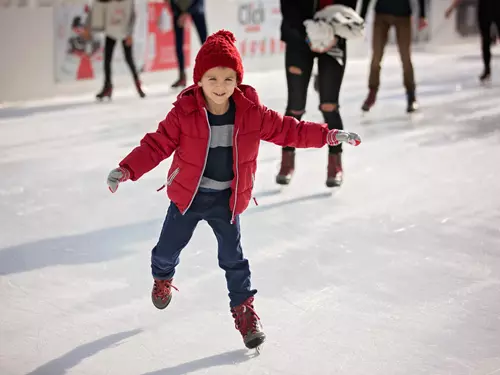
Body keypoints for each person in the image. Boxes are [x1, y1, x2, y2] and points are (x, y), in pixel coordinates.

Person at [106, 30, 361, 349]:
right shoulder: (184, 113)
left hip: (227, 201)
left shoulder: (251, 112)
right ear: (199, 79)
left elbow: (289, 130)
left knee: (234, 259)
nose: (220, 86)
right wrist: (127, 168)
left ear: (237, 80)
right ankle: (162, 279)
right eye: (212, 78)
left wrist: (328, 135)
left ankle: (245, 311)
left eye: (229, 78)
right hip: (188, 198)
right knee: (165, 252)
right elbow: (156, 145)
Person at [277, 0, 360, 188]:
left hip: (334, 38)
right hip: (298, 38)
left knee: (329, 105)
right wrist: (306, 31)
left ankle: (335, 164)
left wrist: (336, 27)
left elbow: (349, 6)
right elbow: (288, 6)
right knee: (295, 106)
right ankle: (287, 161)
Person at [359, 0, 427, 113]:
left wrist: (422, 15)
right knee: (376, 56)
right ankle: (372, 93)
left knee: (406, 57)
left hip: (403, 14)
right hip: (382, 13)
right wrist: (361, 17)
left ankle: (411, 96)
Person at [85, 0, 145, 100]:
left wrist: (130, 33)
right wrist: (89, 26)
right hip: (111, 31)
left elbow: (132, 16)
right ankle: (107, 86)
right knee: (107, 60)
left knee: (129, 59)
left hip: (125, 32)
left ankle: (138, 84)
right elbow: (95, 7)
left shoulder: (128, 2)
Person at [445, 0, 500, 83]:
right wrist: (451, 8)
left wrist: (451, 8)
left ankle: (487, 70)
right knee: (485, 40)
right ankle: (487, 69)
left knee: (485, 40)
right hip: (485, 9)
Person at [165, 0, 208, 88]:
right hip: (179, 9)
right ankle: (182, 76)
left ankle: (211, 73)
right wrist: (176, 11)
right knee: (178, 44)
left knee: (205, 43)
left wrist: (187, 13)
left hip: (196, 7)